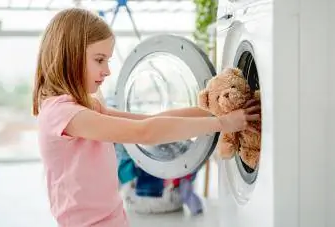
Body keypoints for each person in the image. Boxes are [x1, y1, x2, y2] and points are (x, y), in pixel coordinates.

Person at [32, 8, 260, 227]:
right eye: (100, 60)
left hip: (113, 220)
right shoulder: (61, 114)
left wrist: (217, 110)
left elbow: (145, 121)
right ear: (70, 56)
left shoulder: (82, 106)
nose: (107, 71)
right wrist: (221, 124)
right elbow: (144, 133)